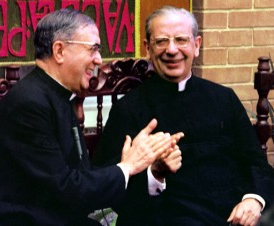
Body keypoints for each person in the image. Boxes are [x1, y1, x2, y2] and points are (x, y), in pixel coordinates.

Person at [0, 9, 183, 226]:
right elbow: (66, 189)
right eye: (93, 49)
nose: (99, 60)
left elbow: (80, 176)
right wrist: (129, 166)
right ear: (59, 51)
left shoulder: (56, 94)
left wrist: (148, 166)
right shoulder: (30, 104)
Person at [93, 6, 274, 226]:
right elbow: (108, 184)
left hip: (235, 214)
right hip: (167, 217)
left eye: (181, 40)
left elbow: (256, 163)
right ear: (147, 48)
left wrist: (253, 200)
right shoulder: (129, 109)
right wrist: (154, 174)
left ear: (196, 46)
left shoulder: (224, 98)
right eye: (161, 41)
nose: (171, 50)